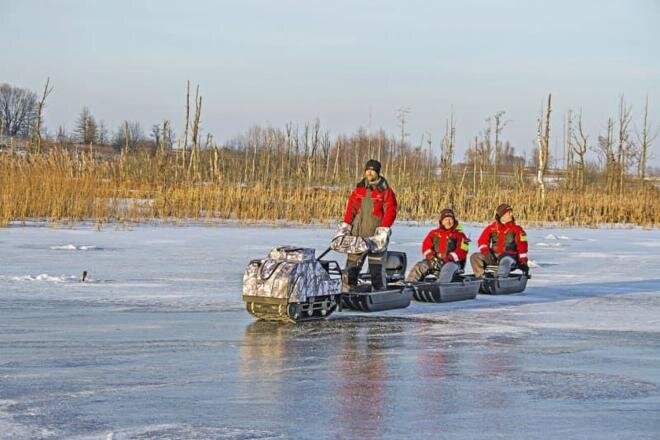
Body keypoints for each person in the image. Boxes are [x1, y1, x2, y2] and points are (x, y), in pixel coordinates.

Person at [340, 159, 397, 291]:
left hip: (375, 236)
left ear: (377, 172)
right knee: (352, 266)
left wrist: (383, 229)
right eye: (367, 170)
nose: (369, 172)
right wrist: (346, 226)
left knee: (376, 267)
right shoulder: (359, 189)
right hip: (357, 234)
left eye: (372, 170)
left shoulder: (386, 191)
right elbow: (351, 209)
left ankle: (379, 292)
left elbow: (391, 211)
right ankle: (347, 290)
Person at [405, 208, 469, 283]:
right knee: (420, 266)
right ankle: (409, 285)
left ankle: (439, 287)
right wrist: (432, 257)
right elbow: (426, 247)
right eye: (446, 219)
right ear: (442, 221)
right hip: (434, 261)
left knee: (447, 269)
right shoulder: (434, 233)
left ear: (454, 220)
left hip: (452, 263)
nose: (448, 222)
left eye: (450, 219)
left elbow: (462, 251)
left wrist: (448, 258)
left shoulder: (460, 235)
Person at [470, 203, 529, 278]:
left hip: (510, 257)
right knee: (474, 257)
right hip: (494, 257)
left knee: (505, 260)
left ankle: (500, 280)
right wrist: (486, 253)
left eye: (511, 212)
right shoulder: (492, 228)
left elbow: (522, 248)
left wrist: (523, 262)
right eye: (509, 213)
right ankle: (481, 278)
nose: (512, 214)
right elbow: (482, 241)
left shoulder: (518, 229)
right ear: (502, 215)